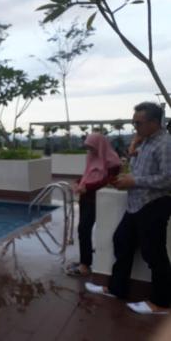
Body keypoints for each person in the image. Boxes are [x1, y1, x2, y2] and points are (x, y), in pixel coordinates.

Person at [85, 102, 171, 315]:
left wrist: (134, 181)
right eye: (133, 122)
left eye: (138, 123)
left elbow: (168, 179)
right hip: (136, 204)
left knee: (154, 254)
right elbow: (140, 168)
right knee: (121, 242)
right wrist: (128, 176)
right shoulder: (147, 141)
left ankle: (161, 303)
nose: (134, 126)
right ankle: (116, 288)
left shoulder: (165, 144)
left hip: (153, 205)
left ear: (153, 122)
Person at [66, 133, 121, 276]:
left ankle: (85, 265)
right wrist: (78, 182)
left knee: (84, 229)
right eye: (88, 147)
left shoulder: (112, 161)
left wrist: (87, 187)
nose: (90, 150)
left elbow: (108, 181)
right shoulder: (91, 157)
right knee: (83, 230)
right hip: (86, 198)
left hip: (97, 200)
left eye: (92, 147)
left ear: (99, 145)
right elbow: (87, 175)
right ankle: (85, 261)